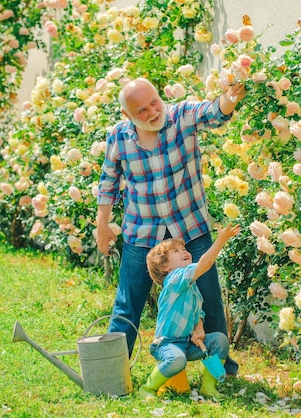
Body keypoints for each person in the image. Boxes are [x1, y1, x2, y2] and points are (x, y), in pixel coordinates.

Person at [96, 77, 246, 377]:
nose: (153, 112)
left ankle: (220, 372)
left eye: (154, 102)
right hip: (143, 232)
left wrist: (229, 99)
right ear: (127, 116)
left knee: (211, 301)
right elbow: (108, 181)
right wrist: (103, 223)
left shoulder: (181, 116)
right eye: (141, 110)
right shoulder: (119, 137)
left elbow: (214, 112)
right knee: (127, 304)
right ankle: (109, 374)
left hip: (189, 228)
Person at [139, 223, 241, 400]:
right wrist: (221, 240)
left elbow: (198, 312)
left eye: (183, 248)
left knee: (219, 340)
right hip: (167, 344)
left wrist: (199, 329)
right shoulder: (174, 279)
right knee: (178, 359)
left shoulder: (191, 287)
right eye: (176, 251)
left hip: (187, 343)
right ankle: (148, 388)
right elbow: (205, 264)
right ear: (165, 267)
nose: (184, 251)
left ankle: (208, 387)